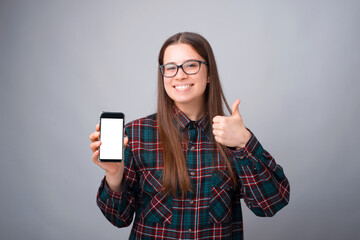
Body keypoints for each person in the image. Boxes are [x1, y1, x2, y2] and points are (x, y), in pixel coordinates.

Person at [89, 32, 290, 239]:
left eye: (191, 65)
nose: (180, 75)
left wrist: (245, 142)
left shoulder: (232, 135)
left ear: (209, 73)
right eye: (170, 67)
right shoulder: (136, 134)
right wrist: (114, 176)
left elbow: (271, 204)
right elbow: (118, 218)